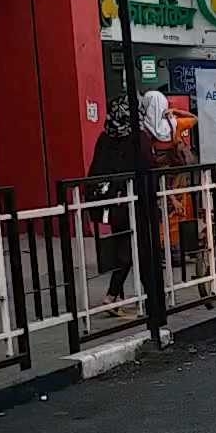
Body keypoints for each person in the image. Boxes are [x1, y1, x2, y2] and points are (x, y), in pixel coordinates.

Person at [87, 95, 140, 315]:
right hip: (126, 200)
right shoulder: (133, 139)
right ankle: (112, 295)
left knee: (124, 245)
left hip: (109, 202)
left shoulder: (105, 137)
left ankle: (117, 296)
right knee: (129, 249)